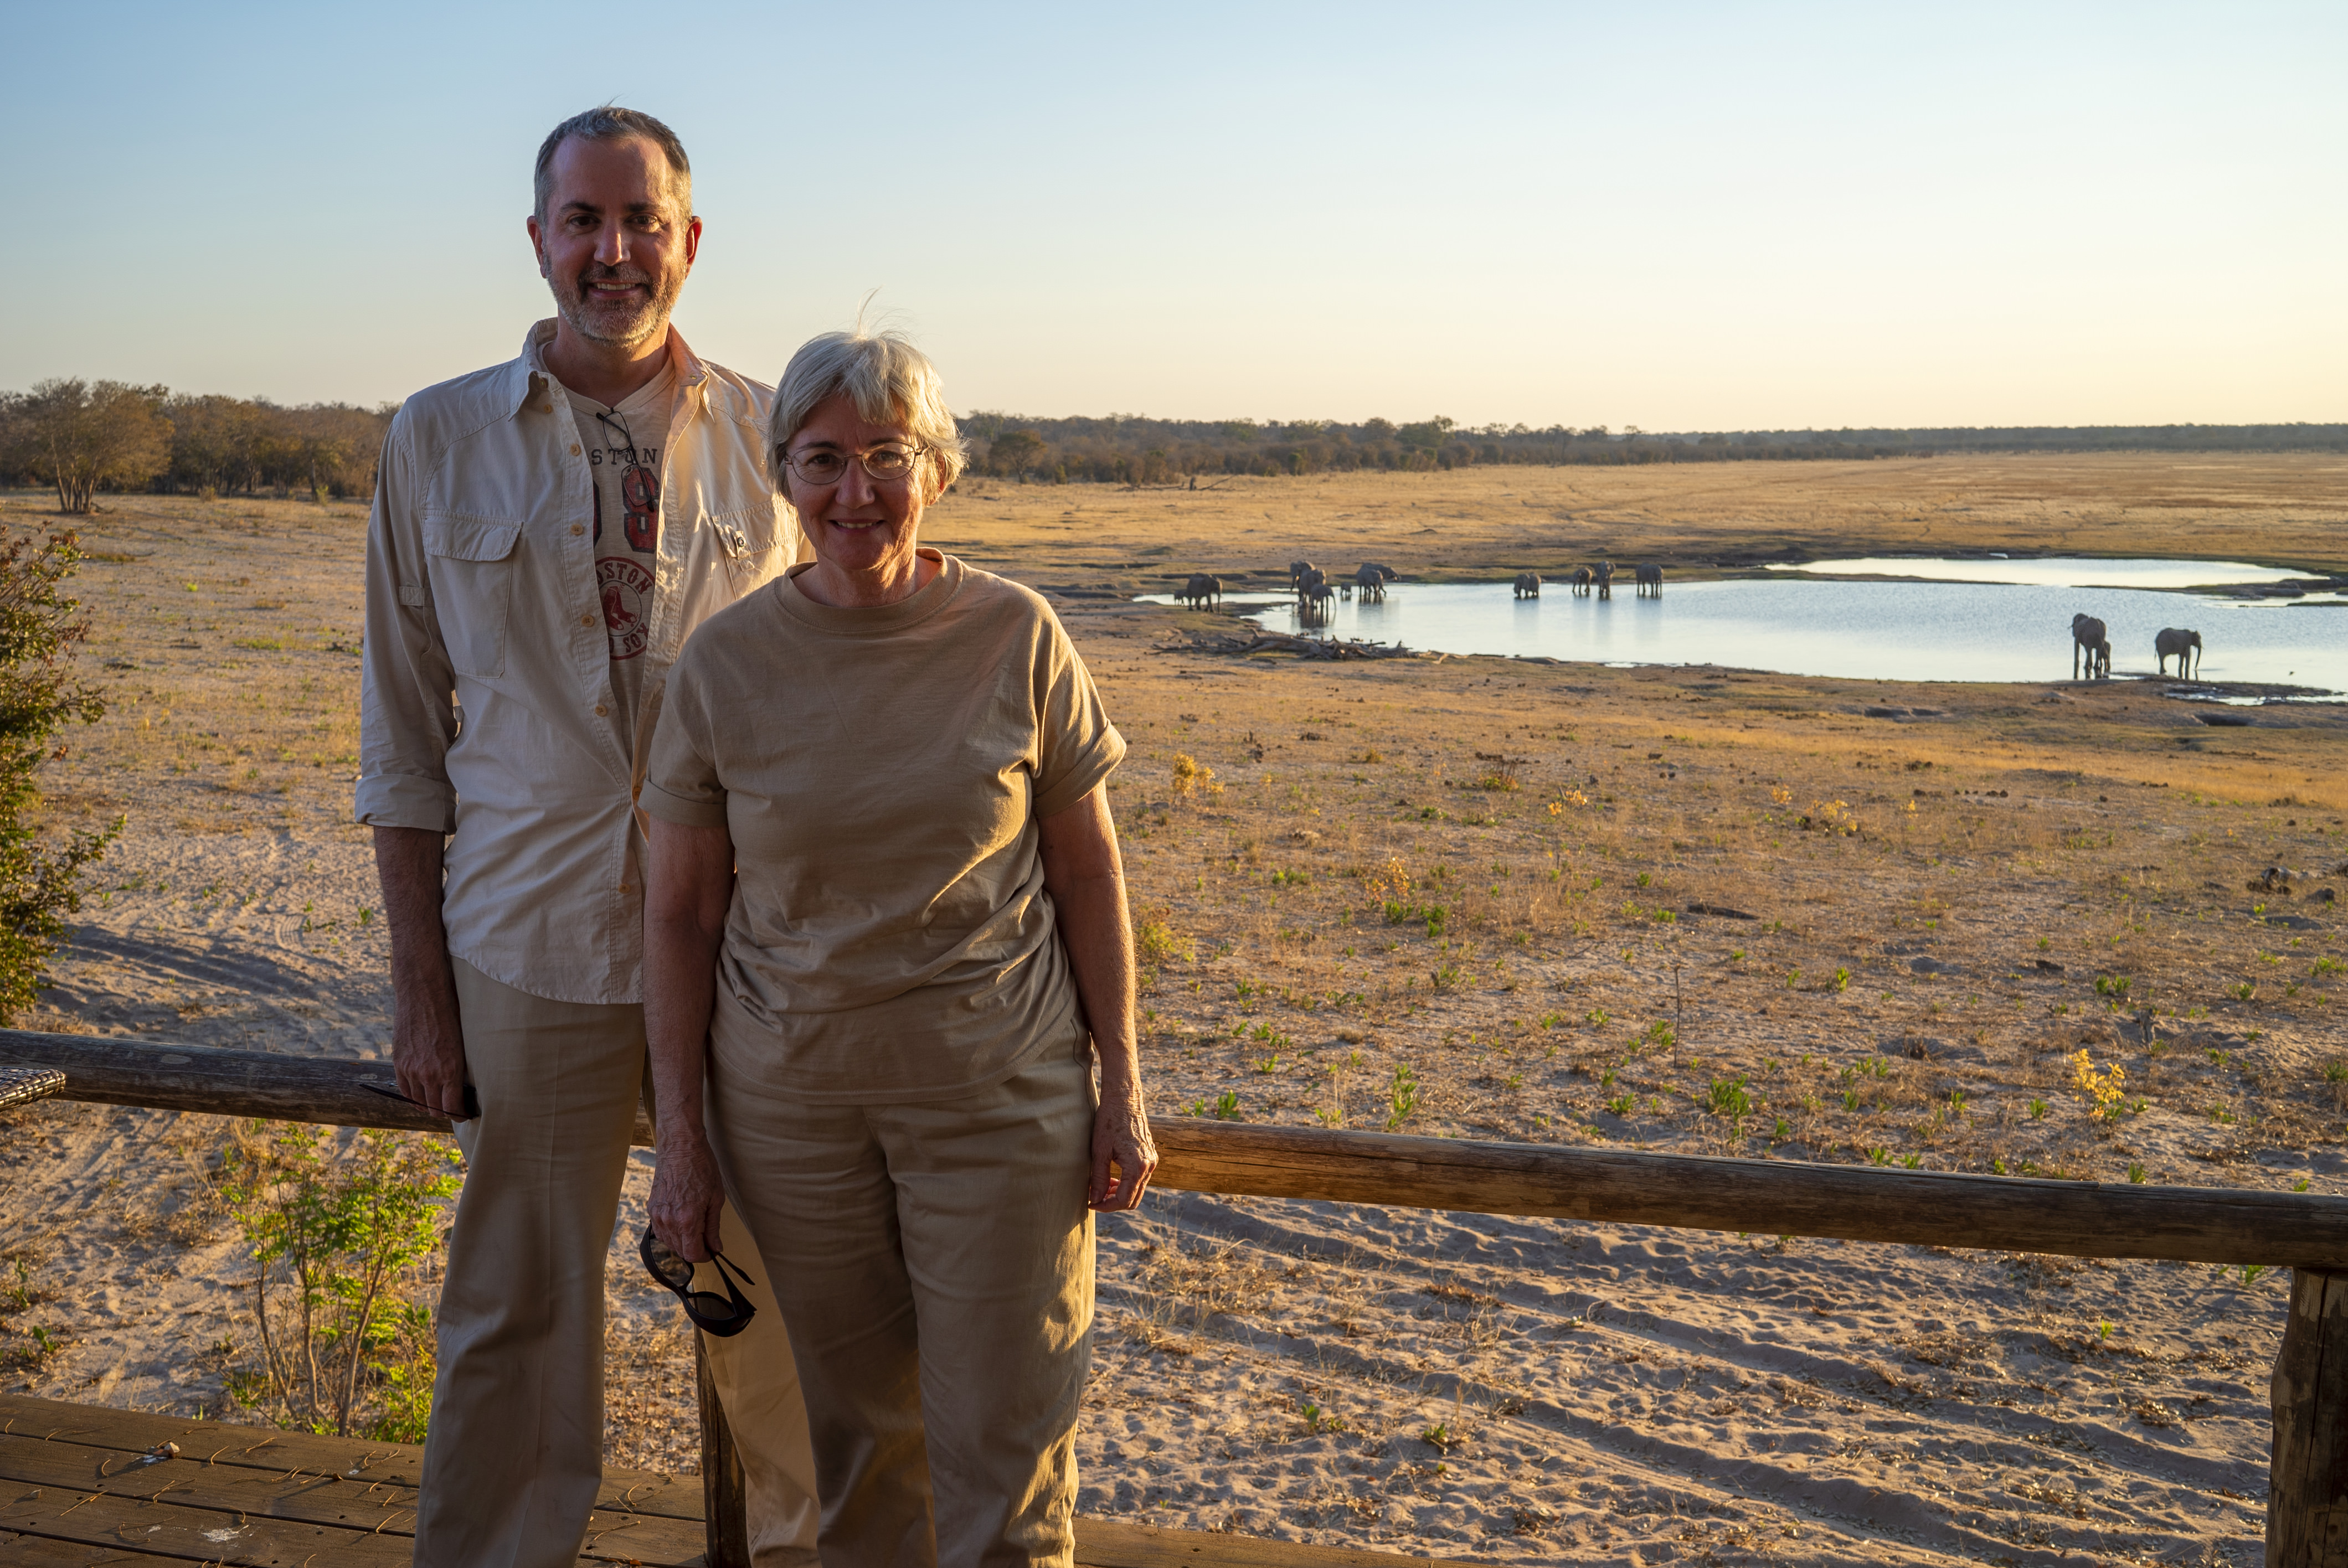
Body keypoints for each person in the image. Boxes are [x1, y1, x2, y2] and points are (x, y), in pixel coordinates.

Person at [357, 106, 819, 1567]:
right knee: (518, 1304)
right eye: (585, 221)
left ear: (690, 240)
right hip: (526, 939)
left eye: (643, 222)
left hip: (750, 951)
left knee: (779, 1295)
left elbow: (841, 688)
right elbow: (401, 739)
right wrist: (421, 990)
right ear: (542, 239)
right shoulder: (435, 440)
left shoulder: (775, 437)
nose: (614, 252)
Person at [642, 328, 1158, 1568]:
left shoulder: (1015, 634)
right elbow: (677, 915)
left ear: (938, 470)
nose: (854, 492)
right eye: (822, 459)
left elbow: (1089, 871)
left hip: (999, 1104)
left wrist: (1123, 1084)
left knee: (1008, 1446)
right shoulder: (722, 664)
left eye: (887, 456)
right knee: (856, 1454)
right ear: (781, 475)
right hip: (794, 1116)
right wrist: (683, 1144)